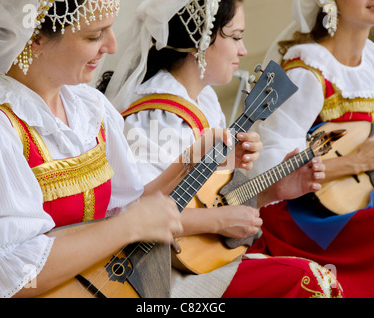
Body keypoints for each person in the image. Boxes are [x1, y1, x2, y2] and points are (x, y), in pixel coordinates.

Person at [0, 0, 257, 298]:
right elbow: (15, 278)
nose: (112, 46)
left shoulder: (87, 106)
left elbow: (129, 204)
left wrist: (189, 162)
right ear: (34, 39)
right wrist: (125, 228)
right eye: (94, 36)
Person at [103, 0, 344, 298]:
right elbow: (132, 213)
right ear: (199, 42)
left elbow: (209, 199)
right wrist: (218, 221)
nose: (243, 50)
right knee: (313, 281)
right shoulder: (155, 116)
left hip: (202, 255)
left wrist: (274, 190)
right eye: (235, 36)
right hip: (158, 271)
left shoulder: (204, 101)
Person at [246, 0, 374, 297]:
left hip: (352, 202)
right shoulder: (307, 70)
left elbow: (368, 145)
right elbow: (269, 174)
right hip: (299, 218)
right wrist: (355, 163)